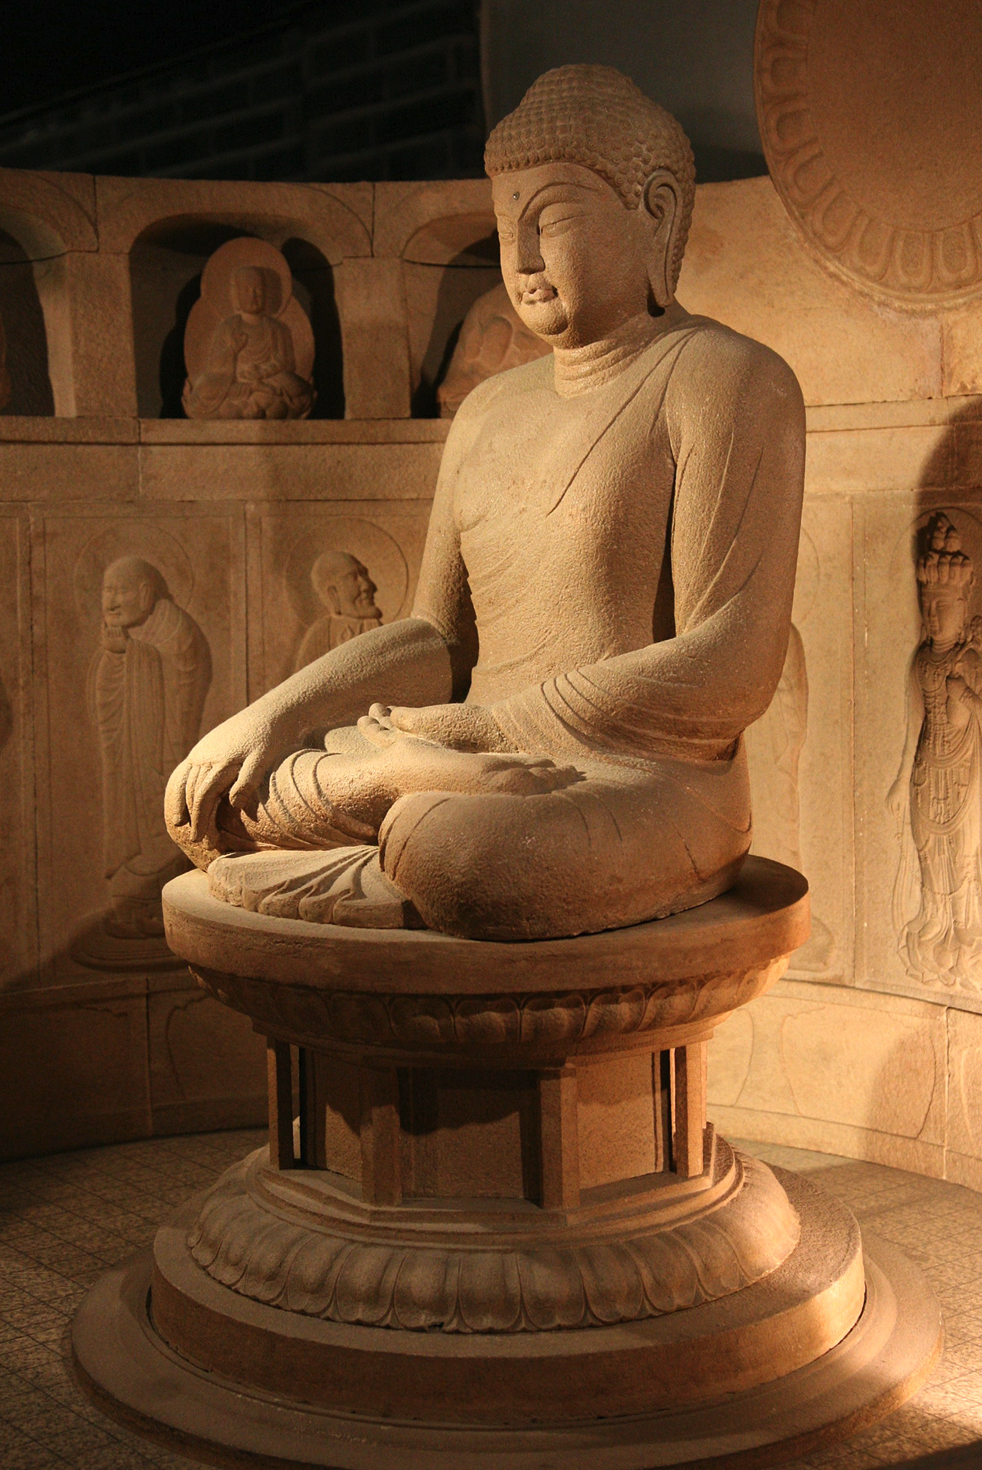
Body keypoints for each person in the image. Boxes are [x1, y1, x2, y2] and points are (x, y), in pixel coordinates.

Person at [165, 64, 805, 942]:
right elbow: (438, 634)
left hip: (638, 778)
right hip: (457, 755)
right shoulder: (487, 411)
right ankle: (403, 794)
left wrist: (482, 729)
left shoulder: (725, 380)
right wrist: (276, 713)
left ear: (655, 213)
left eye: (554, 219)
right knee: (213, 799)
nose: (525, 256)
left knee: (465, 856)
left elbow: (733, 661)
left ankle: (408, 820)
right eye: (509, 226)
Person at [92, 556, 211, 937]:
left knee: (164, 819)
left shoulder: (173, 625)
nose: (111, 601)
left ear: (145, 594)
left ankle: (162, 909)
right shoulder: (121, 634)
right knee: (128, 813)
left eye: (121, 590)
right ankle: (128, 907)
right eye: (107, 590)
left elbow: (186, 677)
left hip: (162, 753)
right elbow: (107, 702)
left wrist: (134, 655)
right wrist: (117, 656)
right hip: (127, 758)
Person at [889, 513, 982, 985]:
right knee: (929, 850)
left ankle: (965, 926)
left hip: (965, 769)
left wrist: (965, 696)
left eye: (941, 606)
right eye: (927, 606)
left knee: (962, 853)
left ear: (962, 608)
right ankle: (934, 922)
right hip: (928, 769)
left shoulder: (970, 660)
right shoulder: (922, 662)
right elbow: (913, 725)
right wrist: (900, 781)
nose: (931, 616)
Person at [182, 265, 314, 420]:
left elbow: (283, 361)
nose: (253, 295)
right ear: (236, 295)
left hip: (268, 378)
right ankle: (259, 396)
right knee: (204, 389)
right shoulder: (227, 327)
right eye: (246, 290)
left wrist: (262, 372)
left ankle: (250, 401)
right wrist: (232, 350)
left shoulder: (275, 327)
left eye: (258, 290)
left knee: (297, 387)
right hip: (235, 381)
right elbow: (214, 366)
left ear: (267, 293)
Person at [294, 552, 383, 671]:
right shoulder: (319, 636)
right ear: (333, 594)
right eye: (354, 578)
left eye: (364, 575)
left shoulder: (374, 628)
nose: (368, 586)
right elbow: (301, 681)